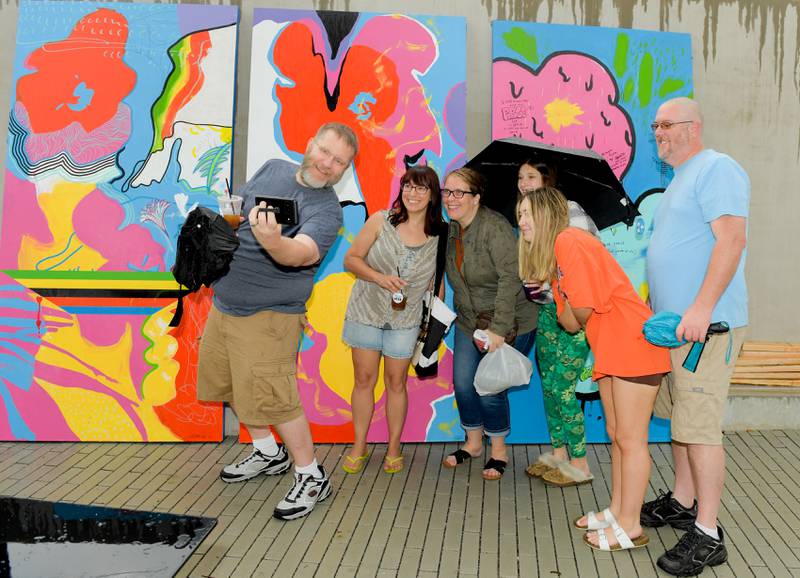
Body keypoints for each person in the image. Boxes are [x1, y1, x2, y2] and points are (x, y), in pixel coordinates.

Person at [196, 122, 358, 521]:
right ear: (310, 144)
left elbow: (300, 254)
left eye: (339, 162)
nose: (327, 164)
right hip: (226, 303)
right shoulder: (271, 168)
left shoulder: (326, 209)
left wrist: (272, 240)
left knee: (277, 399)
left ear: (345, 170)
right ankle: (269, 453)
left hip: (271, 316)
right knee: (227, 382)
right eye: (325, 151)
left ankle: (311, 475)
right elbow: (240, 214)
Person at [518, 186, 671, 551]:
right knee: (618, 435)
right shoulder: (558, 257)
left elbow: (577, 316)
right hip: (611, 348)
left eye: (526, 213)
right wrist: (563, 296)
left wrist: (563, 298)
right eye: (519, 214)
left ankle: (631, 525)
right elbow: (574, 319)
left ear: (545, 214)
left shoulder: (569, 241)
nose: (520, 221)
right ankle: (619, 511)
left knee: (631, 441)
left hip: (633, 345)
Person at [644, 97, 749, 576]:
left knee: (701, 429)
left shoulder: (717, 168)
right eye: (655, 126)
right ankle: (684, 501)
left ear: (693, 126)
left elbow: (731, 240)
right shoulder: (678, 180)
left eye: (666, 124)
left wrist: (702, 307)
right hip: (677, 331)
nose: (659, 132)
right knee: (682, 421)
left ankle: (708, 532)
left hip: (708, 330)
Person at [341, 166, 445, 475]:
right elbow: (351, 259)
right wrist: (379, 278)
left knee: (396, 382)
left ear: (432, 196)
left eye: (421, 188)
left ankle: (394, 447)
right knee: (363, 380)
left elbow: (437, 282)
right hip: (365, 313)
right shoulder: (380, 221)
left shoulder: (440, 234)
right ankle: (359, 446)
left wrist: (433, 319)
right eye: (408, 186)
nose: (413, 194)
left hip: (406, 320)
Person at [440, 167, 536, 481]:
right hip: (469, 322)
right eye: (447, 192)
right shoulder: (452, 228)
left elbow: (511, 279)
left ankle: (497, 450)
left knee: (489, 388)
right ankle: (473, 443)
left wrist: (498, 330)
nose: (450, 199)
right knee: (464, 385)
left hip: (510, 323)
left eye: (459, 193)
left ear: (477, 198)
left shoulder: (495, 228)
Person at [516, 160, 597, 487]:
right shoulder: (529, 219)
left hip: (575, 314)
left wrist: (549, 284)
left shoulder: (570, 212)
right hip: (550, 314)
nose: (523, 182)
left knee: (564, 391)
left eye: (531, 176)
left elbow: (579, 268)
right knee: (550, 388)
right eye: (520, 177)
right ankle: (560, 455)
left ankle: (581, 464)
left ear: (547, 179)